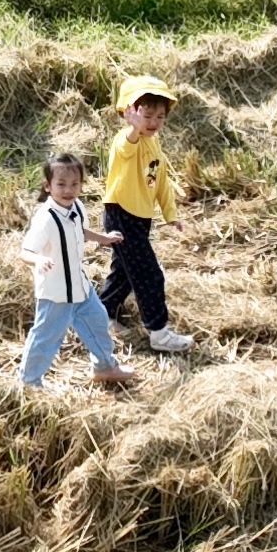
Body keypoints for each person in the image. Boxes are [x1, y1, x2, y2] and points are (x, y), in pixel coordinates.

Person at [18, 153, 138, 389]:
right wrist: (39, 259)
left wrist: (103, 238)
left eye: (74, 184)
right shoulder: (45, 218)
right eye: (61, 184)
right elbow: (25, 251)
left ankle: (104, 366)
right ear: (48, 186)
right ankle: (29, 382)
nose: (68, 190)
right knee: (46, 336)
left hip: (80, 285)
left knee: (98, 320)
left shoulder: (77, 207)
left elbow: (80, 231)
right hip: (56, 293)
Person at [99, 76, 192, 352]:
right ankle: (159, 332)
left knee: (125, 271)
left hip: (140, 217)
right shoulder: (125, 140)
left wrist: (170, 213)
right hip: (121, 214)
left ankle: (103, 313)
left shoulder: (154, 144)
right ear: (129, 112)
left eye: (160, 116)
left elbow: (160, 180)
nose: (153, 122)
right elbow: (126, 147)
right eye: (146, 114)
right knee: (150, 274)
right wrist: (134, 130)